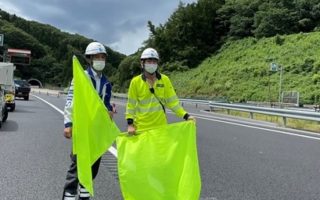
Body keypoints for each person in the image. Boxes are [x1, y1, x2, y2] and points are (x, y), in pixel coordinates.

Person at [62, 42, 115, 200]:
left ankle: (84, 195)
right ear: (90, 59)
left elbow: (105, 105)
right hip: (82, 129)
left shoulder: (106, 82)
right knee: (77, 165)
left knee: (93, 165)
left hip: (96, 131)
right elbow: (71, 100)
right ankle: (69, 195)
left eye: (102, 57)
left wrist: (109, 112)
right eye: (97, 57)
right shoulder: (81, 76)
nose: (100, 60)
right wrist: (68, 124)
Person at [126, 47, 195, 135]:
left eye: (154, 61)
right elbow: (130, 105)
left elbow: (173, 102)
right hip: (142, 129)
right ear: (142, 63)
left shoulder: (164, 80)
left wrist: (186, 116)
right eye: (149, 61)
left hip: (161, 128)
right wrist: (130, 124)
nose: (152, 64)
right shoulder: (135, 82)